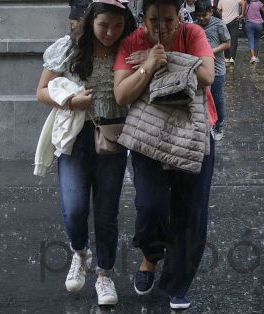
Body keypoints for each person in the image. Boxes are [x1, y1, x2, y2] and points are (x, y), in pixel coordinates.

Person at [112, 0, 215, 310]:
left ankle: (179, 281)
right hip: (149, 137)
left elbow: (207, 75)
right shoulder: (132, 42)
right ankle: (151, 256)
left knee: (191, 211)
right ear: (143, 18)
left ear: (179, 16)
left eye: (169, 19)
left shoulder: (193, 32)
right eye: (154, 19)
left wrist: (166, 57)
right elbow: (121, 94)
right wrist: (147, 65)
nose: (163, 26)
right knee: (151, 206)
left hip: (193, 133)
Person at [35, 0, 137, 305]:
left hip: (114, 136)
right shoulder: (69, 48)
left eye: (118, 26)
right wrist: (70, 102)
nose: (110, 32)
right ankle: (80, 252)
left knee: (107, 212)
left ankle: (104, 275)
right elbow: (41, 92)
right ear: (91, 20)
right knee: (75, 208)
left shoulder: (129, 49)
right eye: (104, 24)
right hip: (75, 137)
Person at [195, 0, 231, 141]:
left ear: (210, 11)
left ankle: (219, 124)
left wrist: (210, 51)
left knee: (218, 99)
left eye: (205, 15)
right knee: (203, 99)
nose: (202, 19)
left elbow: (227, 43)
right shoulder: (195, 26)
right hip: (200, 69)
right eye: (199, 16)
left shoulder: (219, 24)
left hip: (217, 70)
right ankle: (206, 124)